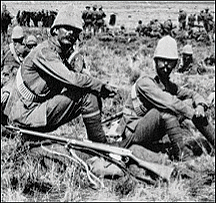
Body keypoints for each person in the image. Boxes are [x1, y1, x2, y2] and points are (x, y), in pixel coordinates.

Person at [4, 4, 117, 145]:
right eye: (67, 28)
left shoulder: (61, 54)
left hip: (31, 113)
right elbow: (72, 79)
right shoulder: (45, 52)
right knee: (87, 96)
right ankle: (101, 148)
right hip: (25, 116)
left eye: (75, 31)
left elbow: (78, 75)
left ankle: (100, 147)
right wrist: (99, 85)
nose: (71, 33)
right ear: (55, 30)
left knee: (88, 91)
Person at [109, 35, 215, 161]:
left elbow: (192, 94)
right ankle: (182, 154)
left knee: (186, 103)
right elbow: (169, 102)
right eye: (162, 60)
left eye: (170, 62)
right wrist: (194, 114)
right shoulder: (145, 82)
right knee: (167, 110)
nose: (166, 65)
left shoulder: (166, 84)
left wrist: (200, 106)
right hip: (133, 131)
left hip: (150, 128)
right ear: (155, 61)